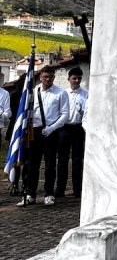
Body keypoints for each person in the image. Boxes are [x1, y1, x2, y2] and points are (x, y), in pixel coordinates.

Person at [22, 66, 70, 206]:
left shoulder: (61, 93)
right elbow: (27, 110)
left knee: (50, 165)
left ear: (54, 77)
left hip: (52, 132)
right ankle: (31, 193)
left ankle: (49, 193)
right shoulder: (34, 91)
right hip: (34, 132)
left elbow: (65, 114)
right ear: (40, 77)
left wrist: (52, 128)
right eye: (45, 77)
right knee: (32, 164)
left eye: (50, 76)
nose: (47, 79)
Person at [56, 66, 88, 197]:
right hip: (64, 128)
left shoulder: (86, 94)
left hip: (78, 128)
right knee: (62, 159)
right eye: (74, 78)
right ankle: (60, 188)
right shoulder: (63, 94)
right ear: (68, 79)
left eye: (79, 78)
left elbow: (87, 112)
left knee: (77, 160)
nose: (77, 81)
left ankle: (77, 189)